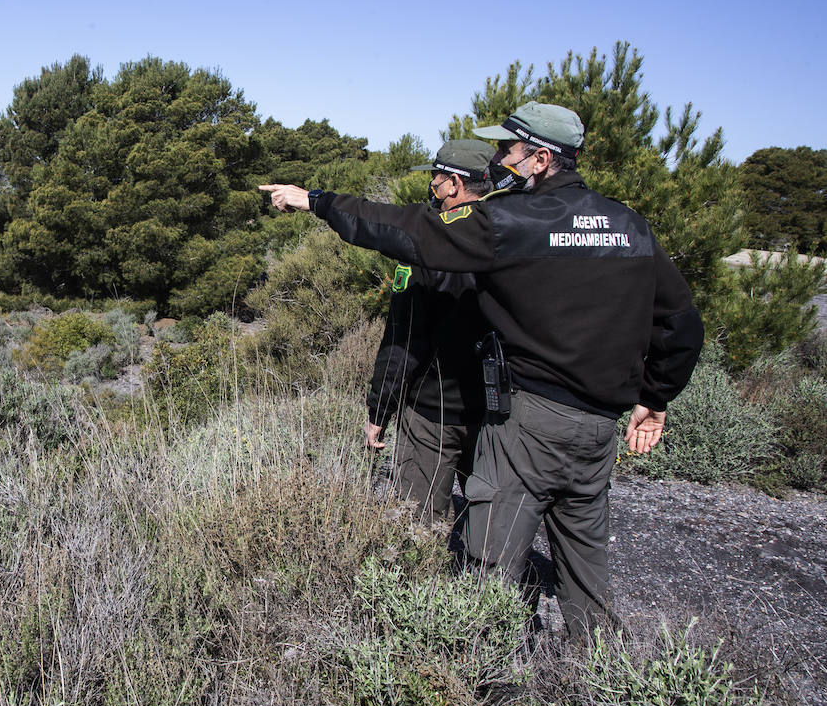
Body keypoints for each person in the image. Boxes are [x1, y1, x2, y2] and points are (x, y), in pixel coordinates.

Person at [260, 102, 704, 639]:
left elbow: (408, 229)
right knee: (587, 573)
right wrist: (654, 398)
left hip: (529, 422)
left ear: (539, 159)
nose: (499, 160)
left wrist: (319, 202)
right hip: (598, 431)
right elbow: (681, 324)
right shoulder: (629, 225)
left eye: (508, 150)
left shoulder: (512, 222)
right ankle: (605, 686)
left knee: (487, 559)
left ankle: (482, 689)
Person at [365, 139, 495, 526]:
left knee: (416, 522)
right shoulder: (510, 238)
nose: (433, 189)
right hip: (496, 408)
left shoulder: (425, 248)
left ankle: (421, 581)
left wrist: (379, 411)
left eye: (436, 180)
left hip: (432, 410)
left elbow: (404, 340)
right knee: (490, 523)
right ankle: (486, 585)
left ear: (454, 184)